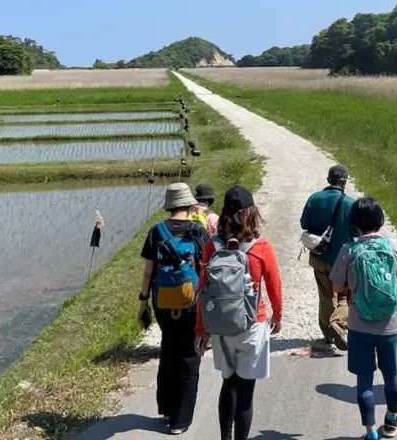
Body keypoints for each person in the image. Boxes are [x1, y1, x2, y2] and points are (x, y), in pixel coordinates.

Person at [195, 186, 282, 440]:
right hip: (252, 324)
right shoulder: (261, 246)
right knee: (246, 392)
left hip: (221, 328)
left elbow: (204, 288)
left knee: (228, 383)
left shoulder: (213, 246)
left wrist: (201, 329)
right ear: (251, 213)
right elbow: (274, 284)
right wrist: (278, 314)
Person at [331, 197, 397, 439]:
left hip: (359, 325)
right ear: (380, 220)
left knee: (364, 379)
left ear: (354, 223)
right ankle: (392, 420)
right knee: (392, 375)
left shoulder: (349, 251)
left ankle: (370, 432)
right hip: (391, 324)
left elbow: (336, 287)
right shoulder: (394, 246)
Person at [138, 182, 211, 434]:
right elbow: (207, 269)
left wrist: (143, 301)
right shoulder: (198, 232)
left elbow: (148, 272)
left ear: (169, 205)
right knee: (190, 357)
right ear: (190, 205)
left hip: (162, 302)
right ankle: (180, 421)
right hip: (191, 302)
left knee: (168, 349)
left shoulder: (156, 231)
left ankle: (167, 409)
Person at [300, 164, 355, 351]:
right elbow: (356, 231)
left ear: (328, 180)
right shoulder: (349, 203)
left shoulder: (314, 199)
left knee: (325, 295)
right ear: (344, 182)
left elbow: (304, 223)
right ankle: (339, 324)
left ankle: (328, 335)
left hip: (319, 256)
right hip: (343, 258)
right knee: (344, 296)